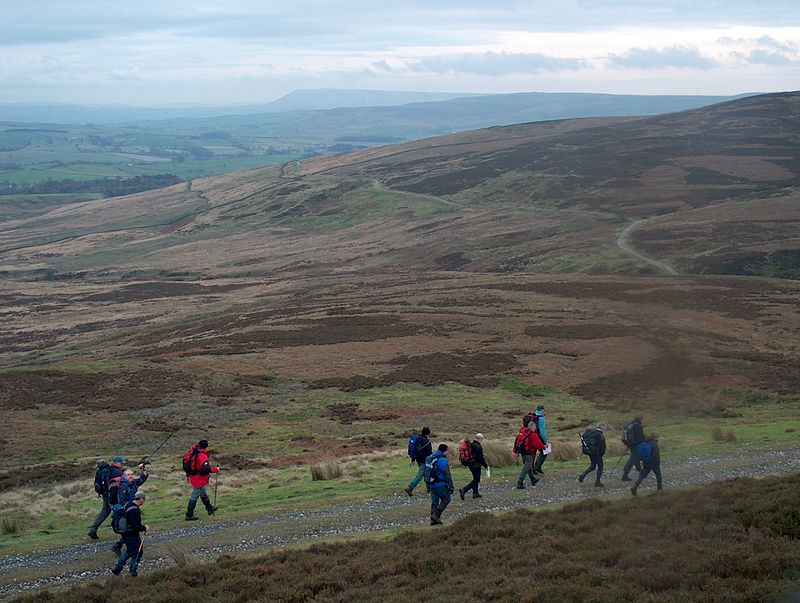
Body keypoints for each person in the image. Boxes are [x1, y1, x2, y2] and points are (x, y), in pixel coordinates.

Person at [111, 466, 149, 555]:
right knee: (125, 530)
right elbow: (122, 501)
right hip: (123, 511)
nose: (131, 476)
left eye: (132, 474)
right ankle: (118, 547)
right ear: (124, 476)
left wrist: (143, 469)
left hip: (130, 509)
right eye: (128, 475)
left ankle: (118, 547)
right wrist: (132, 509)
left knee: (129, 530)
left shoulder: (133, 483)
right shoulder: (123, 486)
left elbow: (142, 479)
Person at [111, 491, 148, 577]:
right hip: (132, 534)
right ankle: (132, 572)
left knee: (129, 551)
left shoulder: (128, 504)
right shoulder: (134, 510)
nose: (144, 501)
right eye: (144, 499)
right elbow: (136, 526)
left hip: (125, 534)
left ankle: (117, 568)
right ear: (141, 498)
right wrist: (144, 528)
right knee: (138, 552)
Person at [88, 455, 125, 539]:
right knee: (116, 510)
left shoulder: (108, 470)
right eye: (121, 463)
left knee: (106, 511)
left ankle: (93, 529)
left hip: (105, 493)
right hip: (111, 494)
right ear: (117, 463)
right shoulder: (116, 472)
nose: (122, 465)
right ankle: (119, 530)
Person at [185, 439, 219, 521]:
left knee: (203, 493)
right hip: (199, 478)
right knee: (194, 496)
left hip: (193, 477)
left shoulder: (193, 452)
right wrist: (216, 469)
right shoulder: (202, 455)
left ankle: (209, 508)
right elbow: (206, 468)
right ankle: (189, 514)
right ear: (206, 446)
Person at [427, 444, 454, 525]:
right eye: (447, 451)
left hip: (431, 484)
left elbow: (426, 471)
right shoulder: (443, 460)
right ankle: (436, 515)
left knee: (434, 502)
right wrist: (451, 486)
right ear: (444, 451)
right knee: (446, 499)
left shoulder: (430, 458)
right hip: (441, 484)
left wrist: (428, 484)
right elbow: (447, 474)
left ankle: (434, 520)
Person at [515, 416, 545, 489]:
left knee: (529, 467)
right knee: (526, 468)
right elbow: (539, 445)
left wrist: (515, 450)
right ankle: (520, 482)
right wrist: (544, 447)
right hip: (529, 453)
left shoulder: (522, 431)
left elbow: (516, 441)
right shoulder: (532, 434)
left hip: (523, 453)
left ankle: (533, 480)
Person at [458, 433, 489, 499]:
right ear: (479, 438)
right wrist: (486, 466)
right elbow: (481, 458)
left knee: (475, 478)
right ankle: (464, 489)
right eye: (482, 439)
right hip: (476, 465)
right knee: (476, 480)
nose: (482, 440)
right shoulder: (478, 446)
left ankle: (475, 493)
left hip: (470, 464)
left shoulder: (471, 444)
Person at [404, 426, 432, 496]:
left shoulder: (418, 439)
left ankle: (429, 488)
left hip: (418, 459)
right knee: (421, 475)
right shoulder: (426, 441)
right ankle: (410, 487)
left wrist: (413, 458)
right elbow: (429, 452)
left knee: (426, 473)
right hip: (424, 460)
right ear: (428, 433)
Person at [578, 423, 606, 487]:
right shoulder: (599, 435)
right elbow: (602, 447)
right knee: (600, 467)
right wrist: (601, 454)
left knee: (593, 466)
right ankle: (597, 482)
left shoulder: (591, 433)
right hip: (597, 453)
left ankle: (583, 475)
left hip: (590, 452)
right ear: (602, 428)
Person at [621, 415, 645, 482]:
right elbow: (640, 436)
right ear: (640, 420)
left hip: (630, 444)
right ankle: (625, 475)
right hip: (635, 444)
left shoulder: (630, 425)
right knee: (632, 458)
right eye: (643, 420)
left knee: (635, 457)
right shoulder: (637, 425)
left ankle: (640, 470)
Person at [531, 405, 549, 475]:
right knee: (545, 451)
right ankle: (537, 467)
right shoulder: (541, 418)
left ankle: (532, 469)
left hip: (531, 436)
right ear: (542, 410)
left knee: (533, 453)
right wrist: (545, 441)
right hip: (538, 437)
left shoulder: (532, 416)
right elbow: (542, 431)